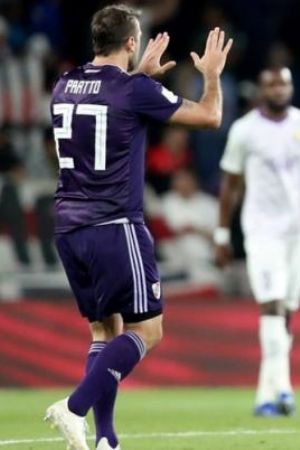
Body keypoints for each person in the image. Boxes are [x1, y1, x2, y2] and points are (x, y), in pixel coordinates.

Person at [44, 5, 232, 450]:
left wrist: (141, 76)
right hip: (114, 224)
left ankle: (106, 438)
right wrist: (211, 74)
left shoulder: (63, 85)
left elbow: (109, 105)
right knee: (147, 330)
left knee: (103, 330)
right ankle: (73, 408)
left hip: (69, 226)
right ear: (131, 42)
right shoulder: (133, 90)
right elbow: (209, 117)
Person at [215, 66, 300, 417]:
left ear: (291, 86)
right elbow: (230, 185)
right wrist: (222, 233)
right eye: (271, 83)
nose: (279, 88)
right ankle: (284, 389)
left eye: (284, 82)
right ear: (261, 89)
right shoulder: (244, 130)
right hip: (261, 230)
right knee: (271, 305)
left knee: (285, 313)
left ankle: (265, 395)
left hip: (299, 231)